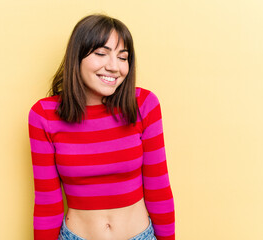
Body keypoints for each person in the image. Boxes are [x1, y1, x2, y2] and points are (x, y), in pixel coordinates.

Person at [28, 14, 175, 240]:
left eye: (123, 57)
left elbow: (159, 189)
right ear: (77, 56)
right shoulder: (44, 115)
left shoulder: (144, 105)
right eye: (101, 54)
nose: (114, 67)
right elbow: (48, 202)